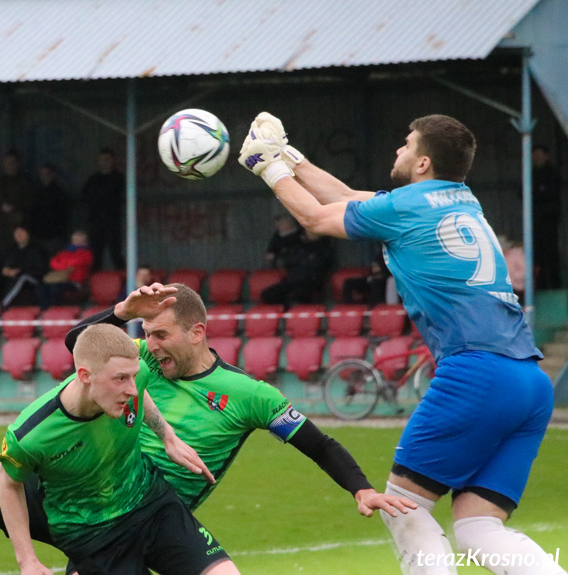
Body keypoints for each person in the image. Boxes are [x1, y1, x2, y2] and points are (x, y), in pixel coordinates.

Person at [0, 284, 413, 568]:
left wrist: (357, 486)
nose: (149, 347)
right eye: (144, 337)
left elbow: (317, 441)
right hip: (82, 497)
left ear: (198, 332)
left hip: (147, 510)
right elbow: (84, 348)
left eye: (160, 335)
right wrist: (121, 311)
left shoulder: (246, 395)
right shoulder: (128, 365)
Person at [238, 112, 562, 574]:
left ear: (423, 162)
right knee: (478, 528)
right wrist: (293, 158)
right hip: (529, 381)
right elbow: (349, 198)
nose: (397, 151)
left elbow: (315, 216)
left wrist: (266, 165)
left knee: (403, 508)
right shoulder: (460, 199)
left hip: (476, 372)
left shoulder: (408, 206)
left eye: (406, 145)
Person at [0, 323, 238, 575]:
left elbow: (140, 389)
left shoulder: (135, 375)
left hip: (150, 503)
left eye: (132, 376)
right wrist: (27, 561)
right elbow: (7, 481)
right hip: (92, 535)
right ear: (85, 375)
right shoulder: (31, 435)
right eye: (120, 378)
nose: (131, 388)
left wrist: (168, 436)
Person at [260, 227, 333, 306]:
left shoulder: (323, 248)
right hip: (294, 280)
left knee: (303, 291)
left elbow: (320, 266)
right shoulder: (299, 246)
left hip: (310, 281)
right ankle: (287, 311)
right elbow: (289, 259)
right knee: (268, 294)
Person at [82, 148, 125, 270]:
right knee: (95, 254)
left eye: (107, 159)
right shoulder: (93, 179)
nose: (104, 162)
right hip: (95, 221)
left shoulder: (118, 177)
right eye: (101, 160)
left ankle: (123, 283)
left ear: (113, 160)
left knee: (115, 253)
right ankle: (95, 284)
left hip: (112, 220)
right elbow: (84, 196)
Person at [0, 150, 36, 247]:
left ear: (18, 164)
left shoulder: (25, 182)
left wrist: (15, 208)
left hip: (19, 225)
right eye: (7, 163)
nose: (9, 165)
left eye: (12, 162)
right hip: (0, 226)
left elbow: (31, 202)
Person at [531, 145, 562, 289]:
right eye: (534, 155)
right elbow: (522, 192)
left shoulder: (552, 172)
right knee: (538, 251)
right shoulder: (531, 173)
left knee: (551, 250)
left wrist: (538, 193)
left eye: (539, 154)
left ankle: (555, 282)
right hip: (535, 218)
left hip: (549, 217)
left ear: (546, 156)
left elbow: (550, 193)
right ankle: (541, 283)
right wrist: (539, 191)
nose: (536, 158)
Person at [40, 229, 93, 308]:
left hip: (75, 282)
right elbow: (53, 262)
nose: (77, 242)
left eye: (79, 240)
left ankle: (56, 309)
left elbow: (77, 261)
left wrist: (63, 264)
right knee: (41, 287)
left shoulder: (87, 253)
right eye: (75, 239)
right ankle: (45, 311)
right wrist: (65, 267)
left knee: (55, 289)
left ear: (84, 241)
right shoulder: (64, 252)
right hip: (60, 279)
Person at [0, 225, 48, 309]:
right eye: (16, 233)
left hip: (34, 278)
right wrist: (6, 269)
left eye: (21, 233)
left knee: (23, 277)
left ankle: (3, 304)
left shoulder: (36, 249)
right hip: (15, 277)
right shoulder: (12, 249)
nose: (19, 235)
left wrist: (19, 271)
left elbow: (40, 268)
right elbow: (8, 263)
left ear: (27, 234)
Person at [29, 163, 71, 252]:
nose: (44, 177)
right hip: (39, 236)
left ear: (53, 175)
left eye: (47, 174)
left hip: (54, 237)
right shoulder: (36, 193)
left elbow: (63, 215)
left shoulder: (60, 193)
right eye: (42, 174)